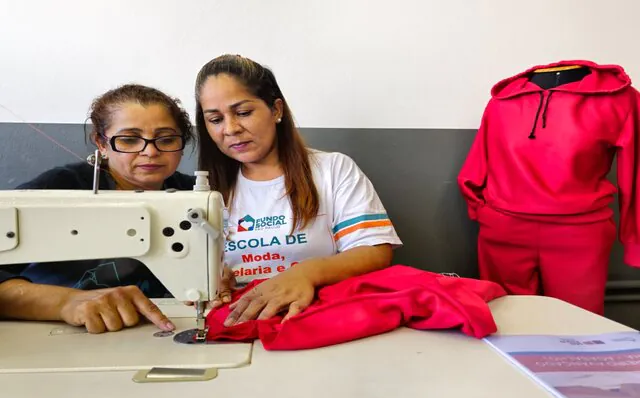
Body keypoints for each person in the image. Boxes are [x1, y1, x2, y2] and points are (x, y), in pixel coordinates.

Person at [194, 54, 403, 327]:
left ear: (276, 110)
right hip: (241, 320)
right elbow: (197, 266)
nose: (231, 129)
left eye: (243, 112)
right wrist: (211, 278)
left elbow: (375, 250)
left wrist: (306, 274)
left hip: (319, 318)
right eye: (215, 119)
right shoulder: (206, 192)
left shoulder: (333, 170)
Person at [0, 84, 196, 334]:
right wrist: (65, 303)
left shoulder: (191, 193)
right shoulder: (60, 187)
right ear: (101, 143)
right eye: (129, 139)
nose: (150, 151)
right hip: (62, 333)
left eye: (166, 139)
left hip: (148, 328)